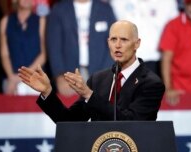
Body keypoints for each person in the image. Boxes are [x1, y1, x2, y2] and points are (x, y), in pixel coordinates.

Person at [18, 20, 165, 122]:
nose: (118, 45)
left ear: (136, 44)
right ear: (108, 42)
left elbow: (131, 121)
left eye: (124, 40)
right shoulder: (98, 80)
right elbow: (70, 121)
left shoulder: (151, 83)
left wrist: (89, 94)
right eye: (113, 39)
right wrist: (47, 92)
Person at [46, 0, 116, 96]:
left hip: (101, 74)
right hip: (69, 76)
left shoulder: (105, 9)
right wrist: (59, 76)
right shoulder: (59, 10)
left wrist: (105, 76)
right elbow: (54, 46)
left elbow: (114, 45)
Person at [109, 0, 179, 76]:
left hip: (160, 62)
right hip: (130, 63)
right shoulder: (118, 2)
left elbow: (177, 32)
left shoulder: (169, 2)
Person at [0, 0, 46, 95]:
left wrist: (23, 76)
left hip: (35, 77)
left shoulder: (41, 21)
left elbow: (44, 54)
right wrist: (12, 77)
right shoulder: (5, 21)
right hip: (11, 77)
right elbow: (4, 54)